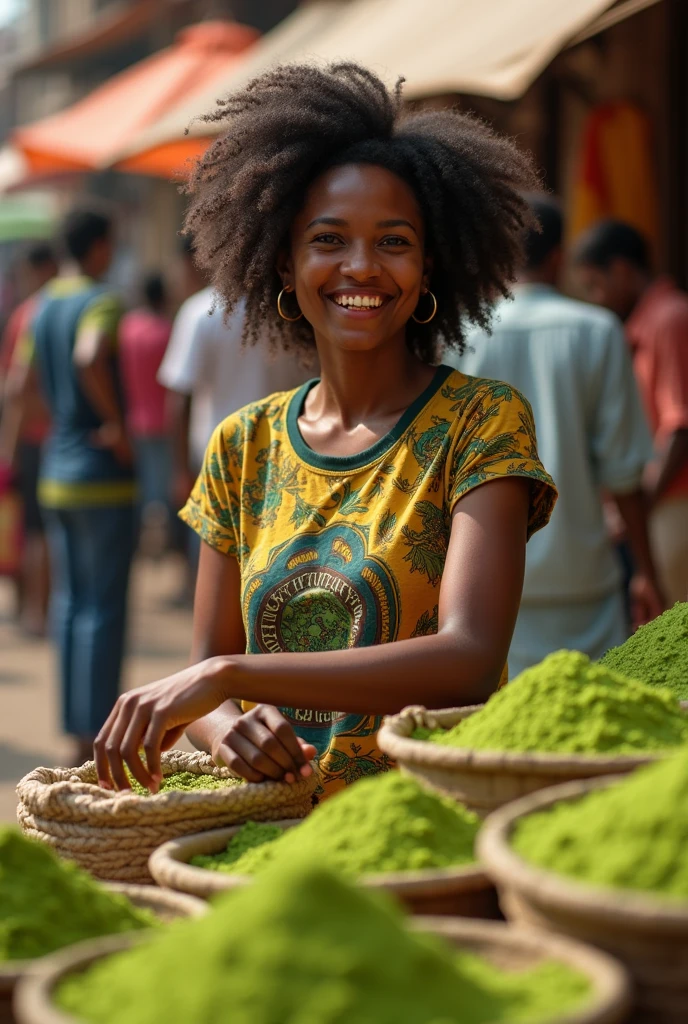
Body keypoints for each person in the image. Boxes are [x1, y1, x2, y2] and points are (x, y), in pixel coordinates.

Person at [93, 63, 556, 798]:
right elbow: (209, 686)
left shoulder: (481, 423)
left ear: (429, 266)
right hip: (274, 833)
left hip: (430, 824)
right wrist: (229, 727)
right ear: (285, 262)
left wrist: (228, 678)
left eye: (394, 242)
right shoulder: (242, 445)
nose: (361, 267)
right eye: (329, 239)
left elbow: (469, 658)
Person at [448, 196, 660, 676]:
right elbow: (624, 471)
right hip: (584, 583)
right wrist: (646, 572)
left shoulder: (460, 335)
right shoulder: (597, 330)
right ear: (560, 257)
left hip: (479, 583)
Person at [25, 209, 135, 764]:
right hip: (100, 478)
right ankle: (98, 735)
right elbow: (89, 356)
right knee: (103, 607)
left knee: (70, 604)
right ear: (97, 247)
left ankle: (75, 730)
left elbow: (20, 385)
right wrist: (115, 425)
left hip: (56, 472)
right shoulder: (101, 301)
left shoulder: (40, 305)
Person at [157, 245, 313, 575]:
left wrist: (180, 470)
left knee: (213, 567)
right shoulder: (297, 309)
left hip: (219, 463)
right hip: (286, 460)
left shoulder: (201, 311)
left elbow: (179, 399)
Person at [574, 221, 688, 604]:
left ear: (621, 271)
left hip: (674, 503)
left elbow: (680, 425)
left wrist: (637, 508)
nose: (595, 298)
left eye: (595, 284)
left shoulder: (669, 317)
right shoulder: (645, 324)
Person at [0, 244, 58, 633]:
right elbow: (17, 387)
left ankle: (31, 610)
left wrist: (9, 447)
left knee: (30, 529)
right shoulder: (48, 311)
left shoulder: (26, 313)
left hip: (32, 439)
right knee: (41, 532)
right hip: (49, 438)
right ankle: (39, 612)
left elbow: (13, 389)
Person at [118, 272, 173, 552]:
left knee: (144, 488)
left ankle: (143, 548)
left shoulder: (128, 328)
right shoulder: (167, 331)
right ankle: (164, 548)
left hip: (135, 421)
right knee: (164, 491)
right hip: (165, 423)